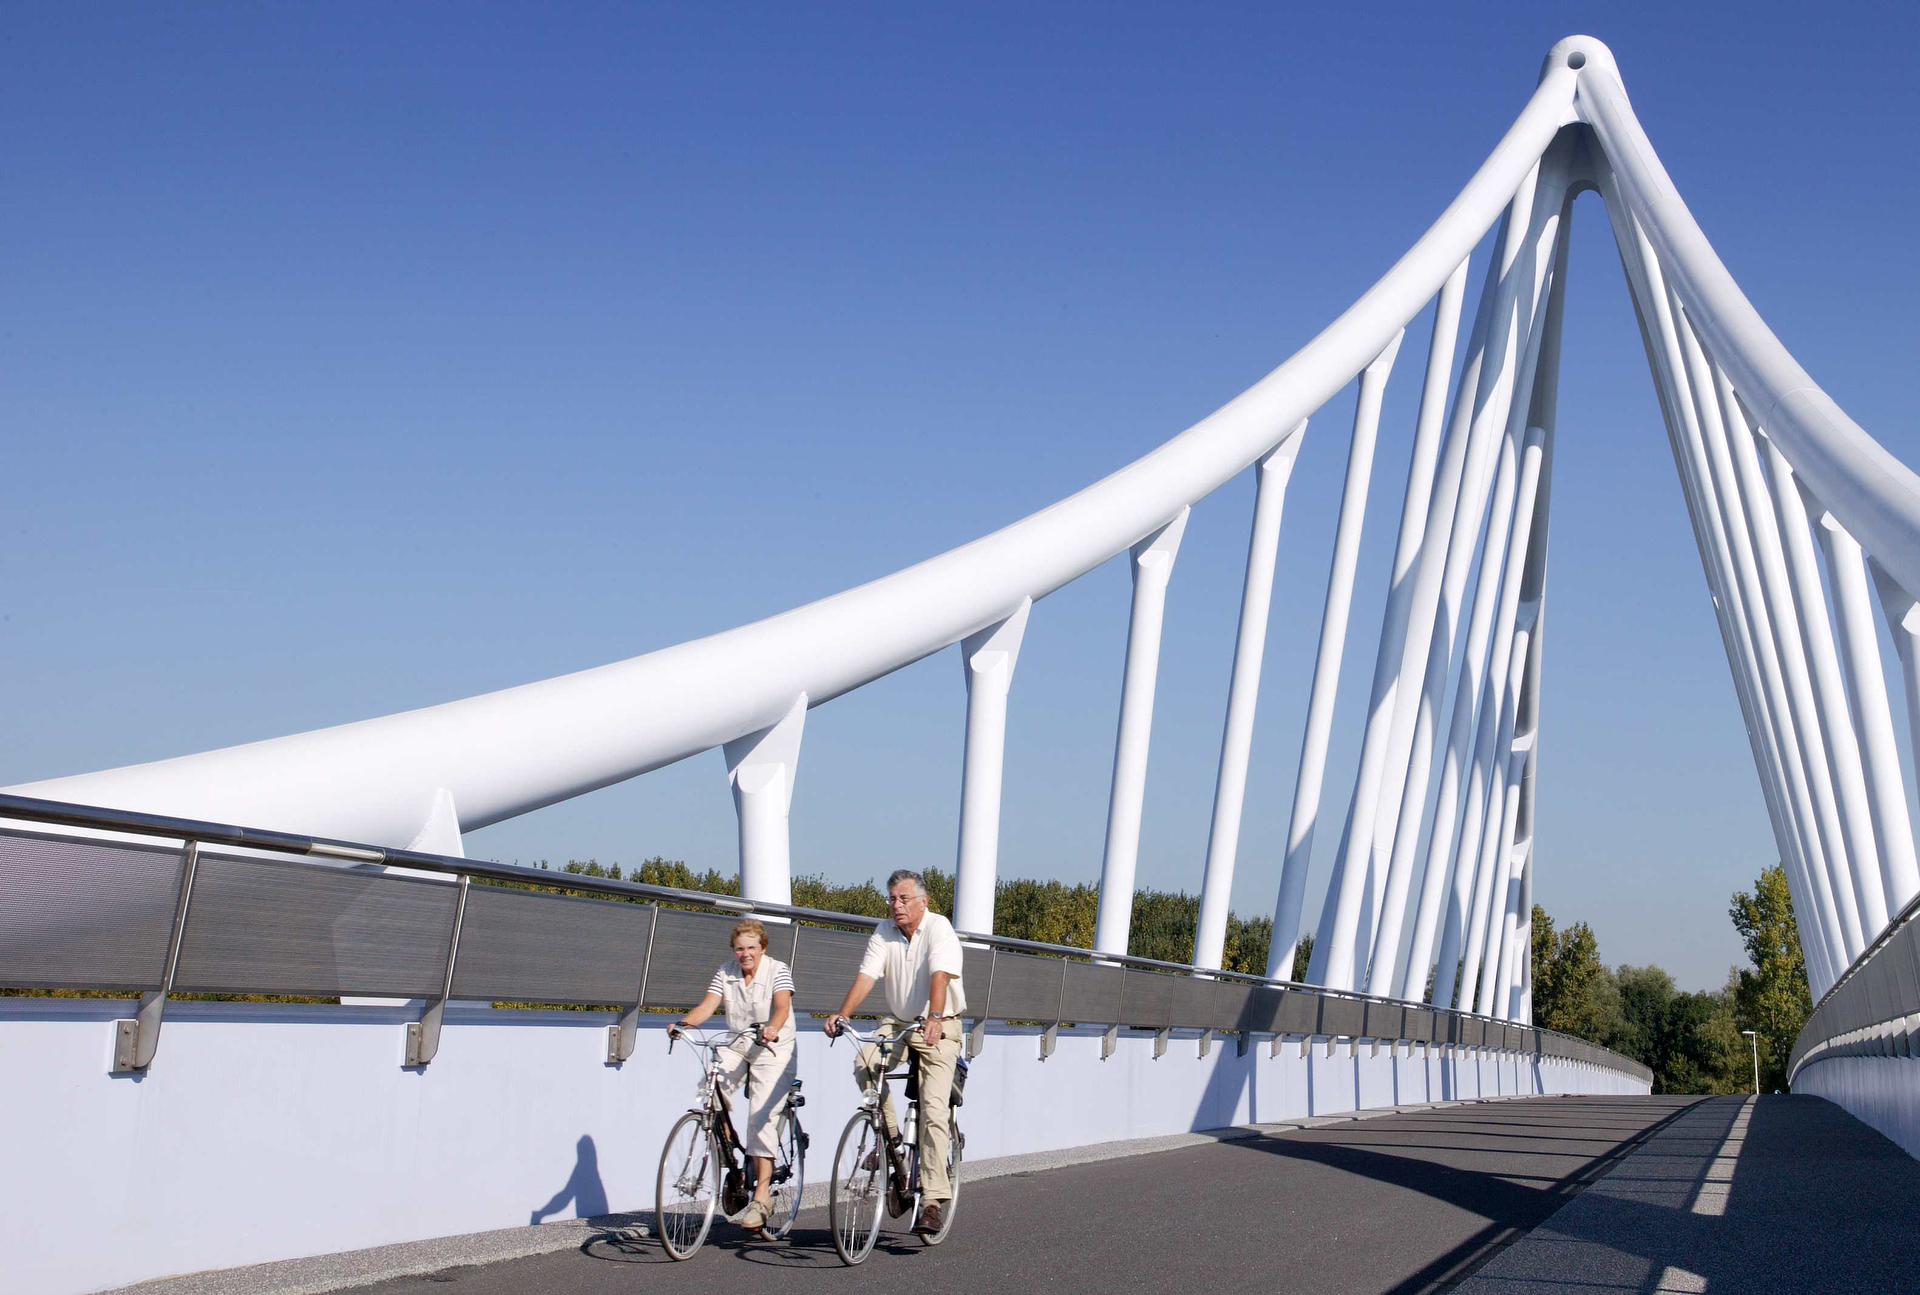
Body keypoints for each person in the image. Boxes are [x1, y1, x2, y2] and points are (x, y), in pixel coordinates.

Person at [824, 869, 966, 1236]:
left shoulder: (939, 928)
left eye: (903, 899)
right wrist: (843, 1014)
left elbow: (940, 975)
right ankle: (892, 1147)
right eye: (891, 898)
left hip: (939, 1024)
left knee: (933, 1110)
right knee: (865, 1064)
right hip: (899, 1022)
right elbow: (867, 976)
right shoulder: (883, 931)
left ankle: (933, 1200)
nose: (896, 905)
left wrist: (935, 1016)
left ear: (923, 902)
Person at [668, 918, 797, 1232]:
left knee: (760, 1116)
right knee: (710, 1087)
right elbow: (707, 1006)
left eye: (752, 947)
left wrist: (772, 1028)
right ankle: (731, 1159)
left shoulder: (777, 970)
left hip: (773, 1047)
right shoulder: (724, 973)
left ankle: (762, 1197)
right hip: (739, 1043)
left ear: (762, 948)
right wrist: (683, 1025)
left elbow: (782, 1007)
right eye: (740, 949)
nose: (745, 954)